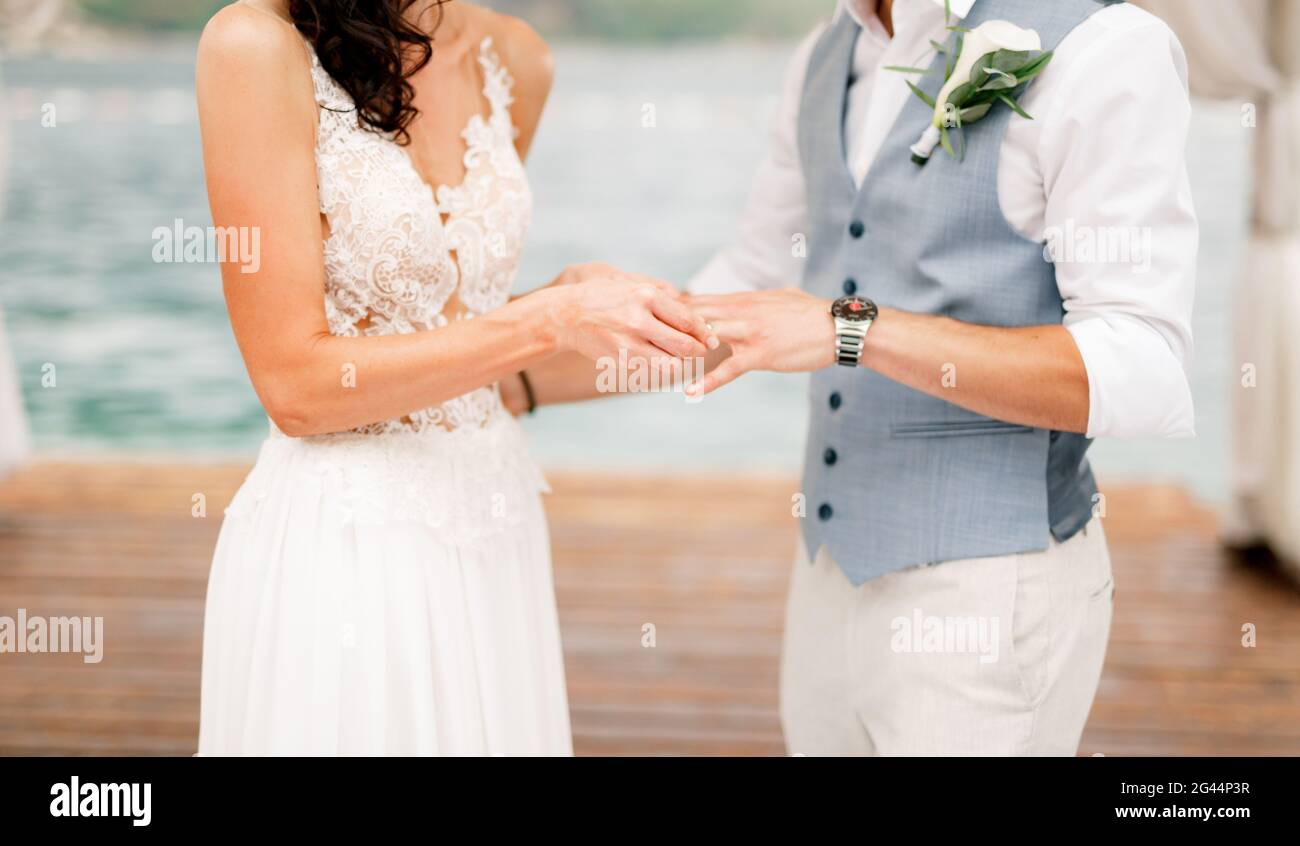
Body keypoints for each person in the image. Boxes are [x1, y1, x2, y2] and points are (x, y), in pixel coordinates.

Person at [194, 0, 714, 755]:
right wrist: (550, 319)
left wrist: (573, 301)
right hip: (347, 544)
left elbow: (453, 327)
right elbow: (295, 386)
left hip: (494, 525)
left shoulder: (519, 59)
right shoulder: (253, 45)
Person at [681, 0, 1198, 755]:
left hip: (990, 595)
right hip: (827, 577)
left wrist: (854, 329)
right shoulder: (822, 58)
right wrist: (566, 328)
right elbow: (754, 277)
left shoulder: (1106, 48)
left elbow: (1142, 364)